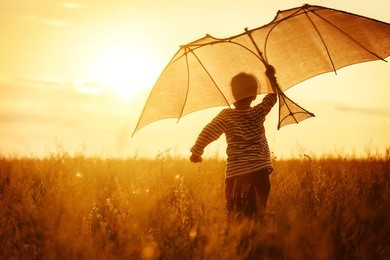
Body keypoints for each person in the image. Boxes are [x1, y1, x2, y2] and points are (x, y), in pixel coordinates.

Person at [189, 71, 277, 220]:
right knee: (257, 215)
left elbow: (208, 132)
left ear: (233, 95)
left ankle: (239, 241)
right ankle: (259, 239)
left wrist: (197, 152)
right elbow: (272, 97)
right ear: (255, 95)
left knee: (236, 216)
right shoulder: (259, 112)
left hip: (237, 175)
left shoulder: (226, 116)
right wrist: (270, 78)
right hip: (261, 174)